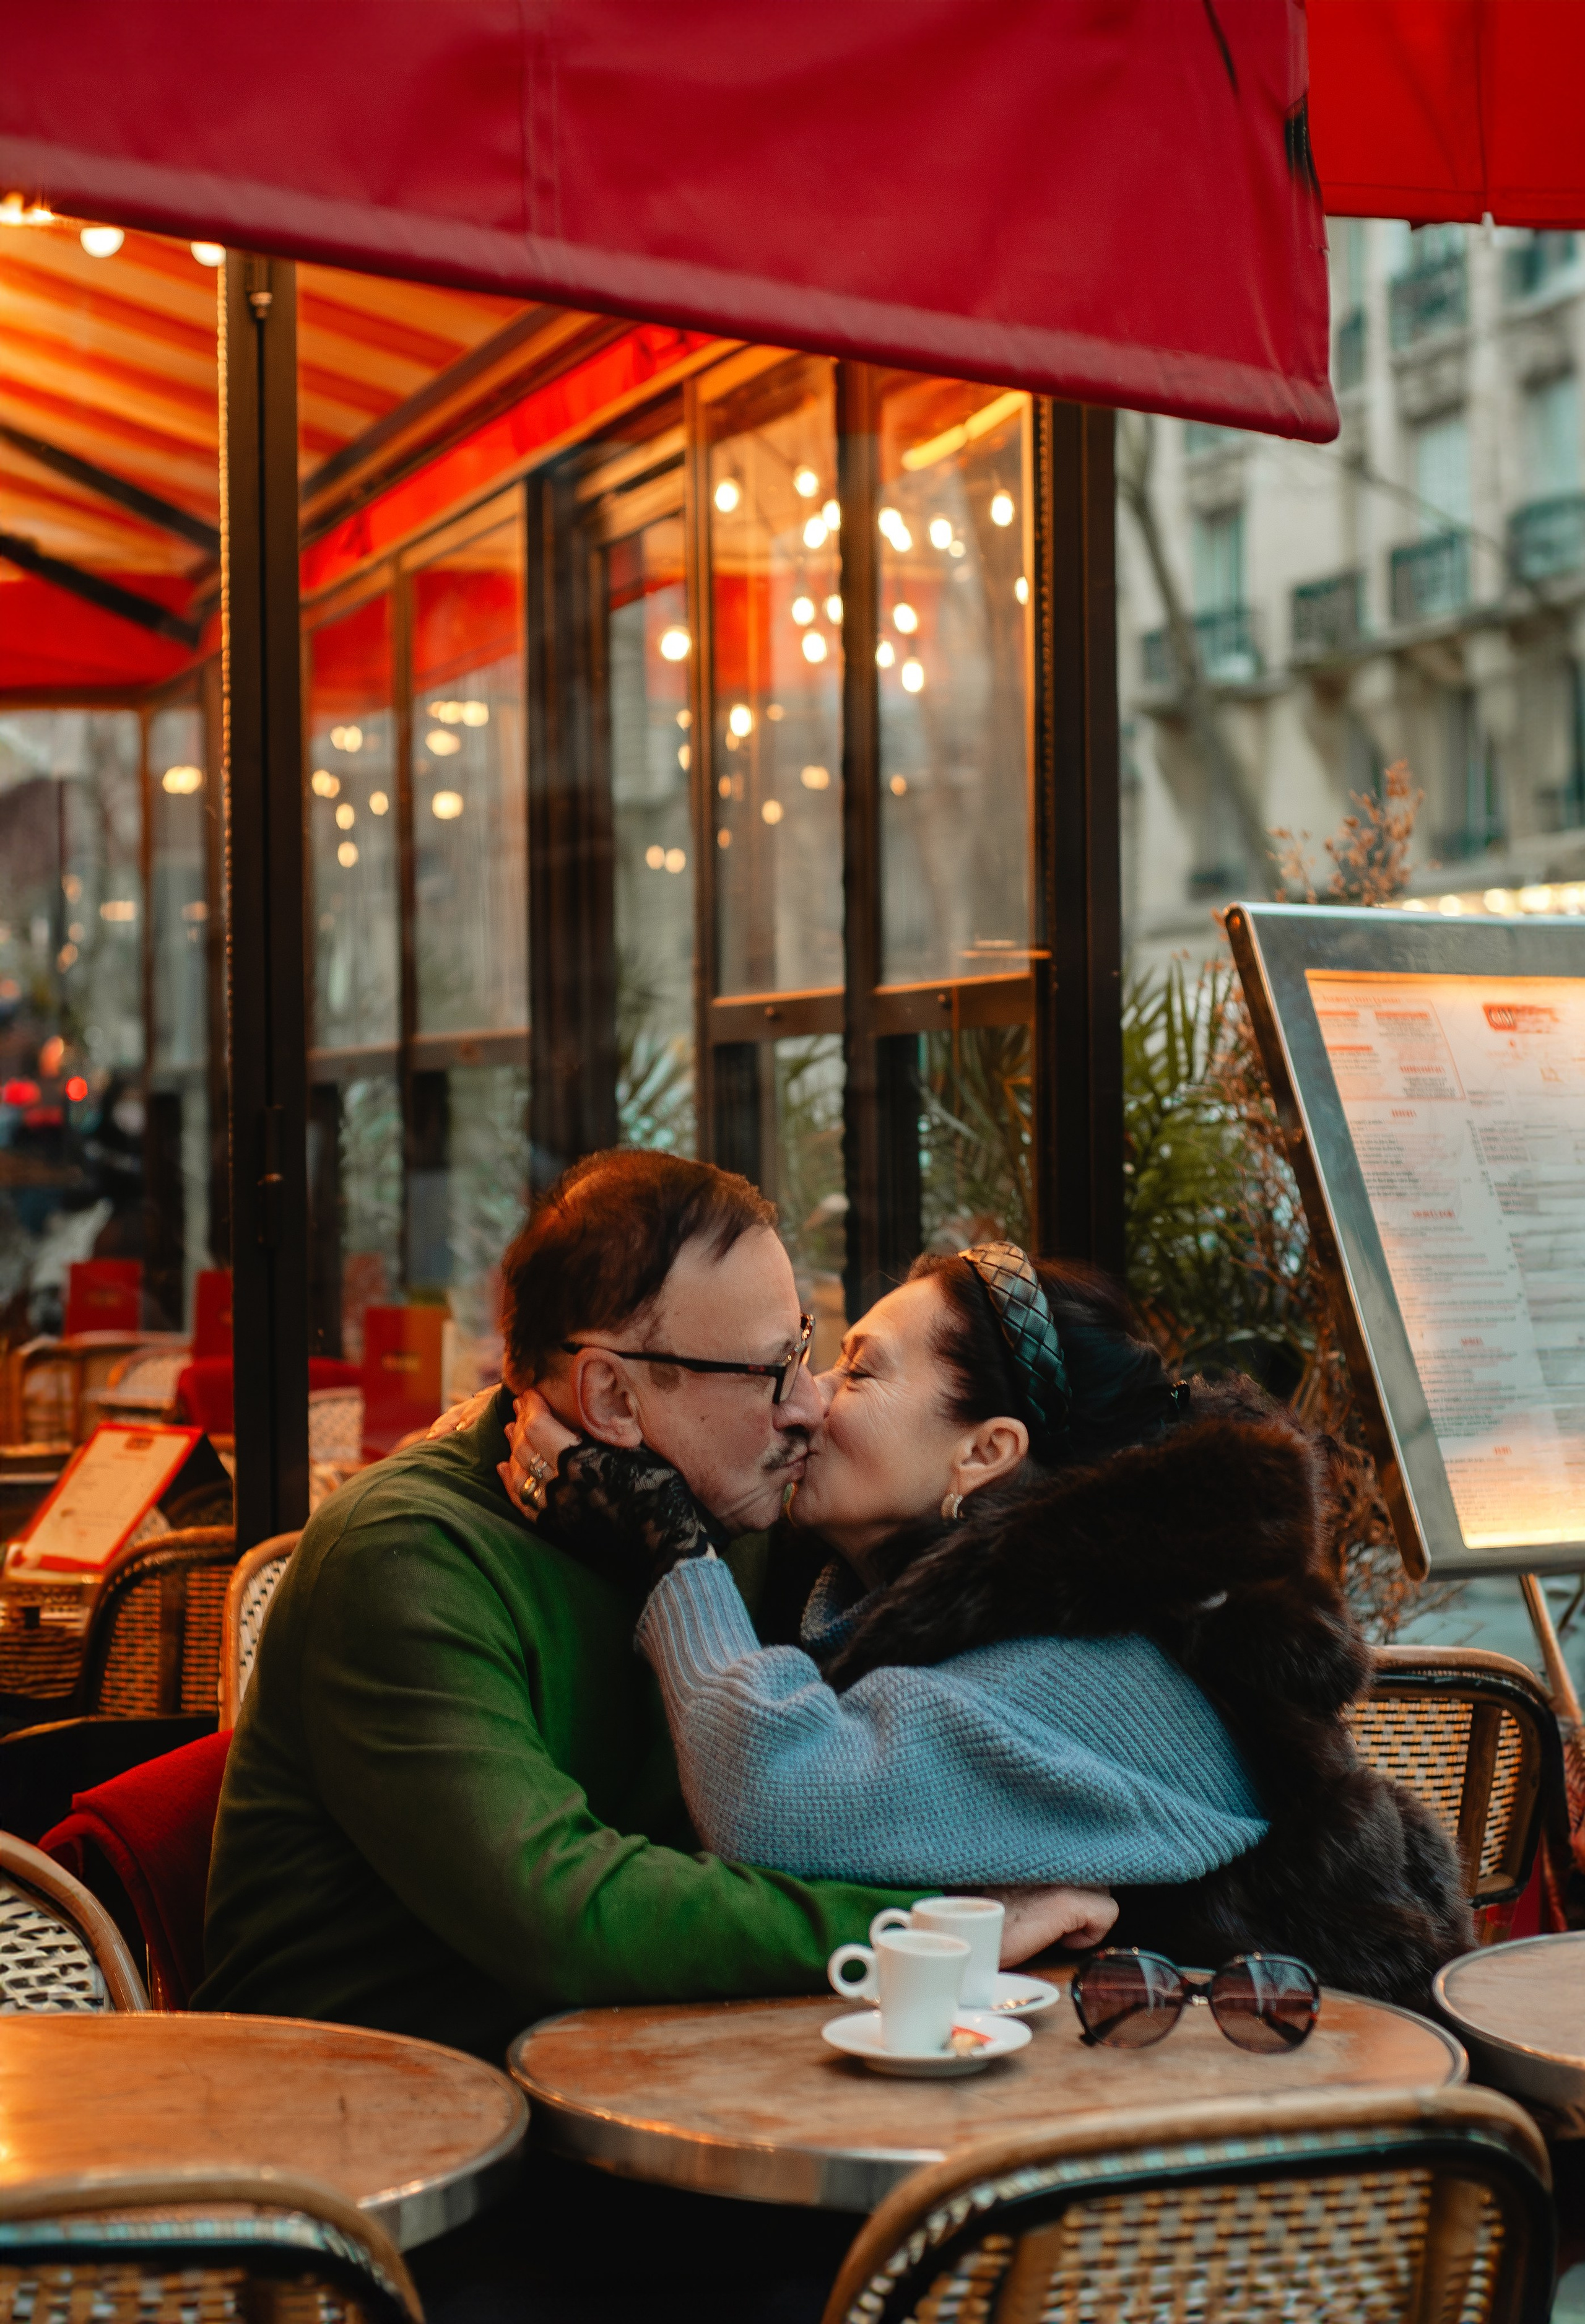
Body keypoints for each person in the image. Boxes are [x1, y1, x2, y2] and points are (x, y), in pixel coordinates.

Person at [195, 1155, 1102, 2059]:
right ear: (612, 1396)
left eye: (805, 1347)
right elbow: (563, 1913)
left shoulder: (725, 1510)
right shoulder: (402, 1554)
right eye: (769, 1370)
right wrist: (936, 1930)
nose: (808, 1405)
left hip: (642, 2068)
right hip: (377, 2122)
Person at [508, 1243, 1474, 2008]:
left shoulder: (1076, 1661)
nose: (806, 1401)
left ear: (984, 1453)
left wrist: (672, 1552)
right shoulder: (995, 1592)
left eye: (858, 1371)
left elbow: (771, 1795)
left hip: (1260, 2182)